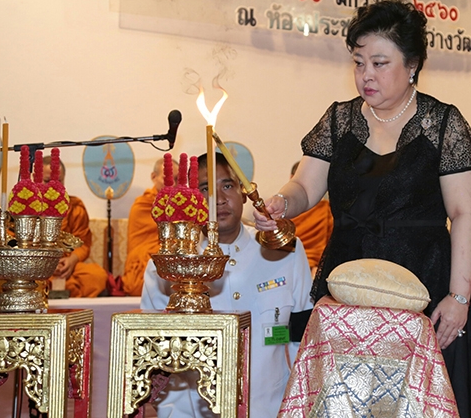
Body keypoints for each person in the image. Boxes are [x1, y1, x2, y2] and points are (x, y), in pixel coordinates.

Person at [254, 0, 471, 417]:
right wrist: (282, 203)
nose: (366, 75)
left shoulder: (444, 125)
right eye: (358, 62)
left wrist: (459, 298)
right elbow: (305, 187)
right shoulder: (339, 121)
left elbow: (463, 214)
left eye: (379, 62)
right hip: (349, 290)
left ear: (412, 66)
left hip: (427, 288)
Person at [141, 152, 312, 418]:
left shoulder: (284, 252)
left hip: (267, 407)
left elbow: (302, 340)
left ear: (245, 192)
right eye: (206, 189)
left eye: (228, 185)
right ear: (192, 200)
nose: (219, 199)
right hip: (190, 411)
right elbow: (152, 356)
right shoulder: (167, 266)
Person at [44, 159, 107, 297]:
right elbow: (18, 245)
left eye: (58, 182)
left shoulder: (75, 207)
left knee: (97, 276)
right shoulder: (27, 207)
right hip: (38, 268)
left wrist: (72, 261)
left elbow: (83, 243)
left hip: (68, 268)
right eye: (47, 181)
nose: (53, 188)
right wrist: (46, 264)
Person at [121, 157, 178, 296]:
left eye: (176, 179)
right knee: (142, 282)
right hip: (146, 258)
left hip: (172, 257)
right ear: (154, 177)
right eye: (168, 178)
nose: (172, 184)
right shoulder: (143, 205)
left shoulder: (181, 204)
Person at [288, 160, 333, 276]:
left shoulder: (324, 210)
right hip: (286, 262)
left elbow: (332, 243)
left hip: (315, 266)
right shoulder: (282, 209)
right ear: (292, 179)